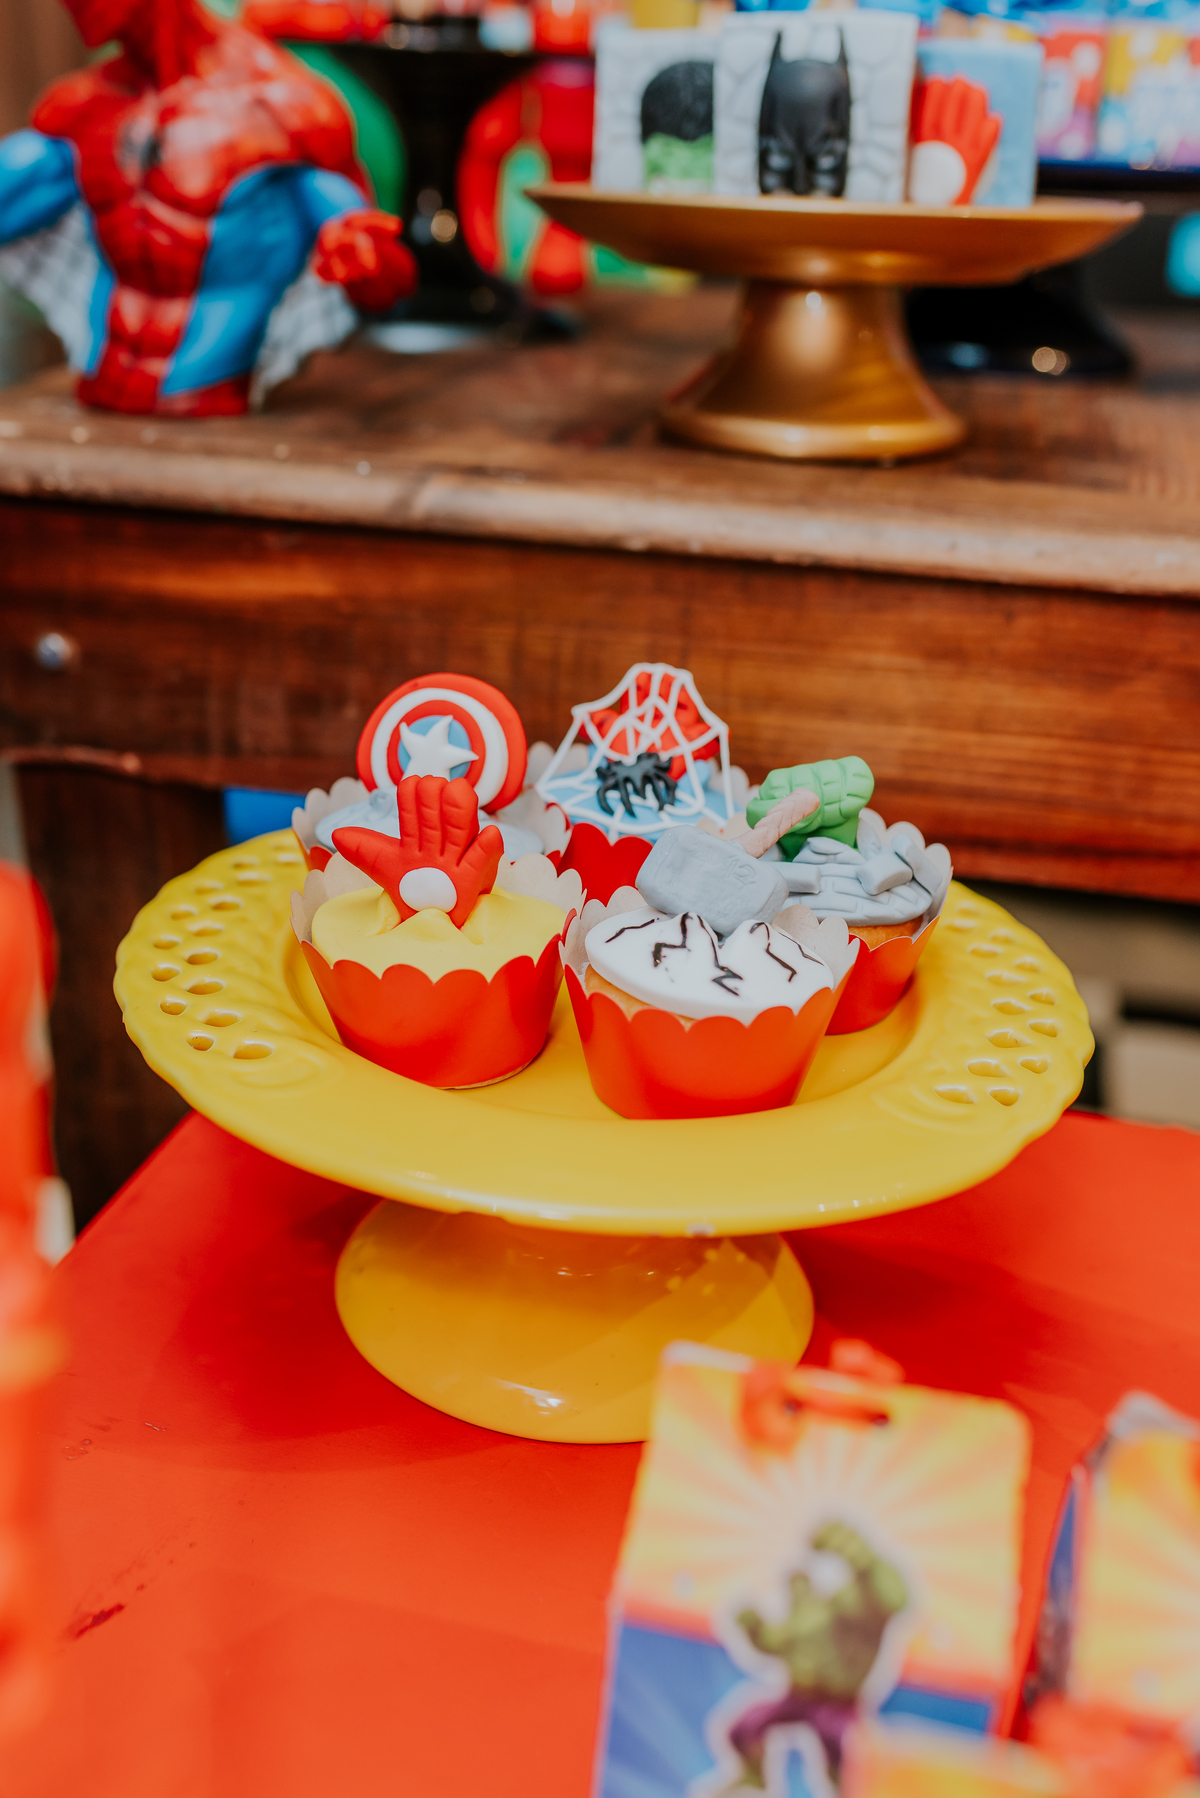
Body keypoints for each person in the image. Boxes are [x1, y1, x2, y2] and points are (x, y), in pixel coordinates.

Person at [0, 0, 416, 414]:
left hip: (212, 389)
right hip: (101, 380)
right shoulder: (80, 106)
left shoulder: (281, 103)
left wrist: (364, 261)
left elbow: (385, 284)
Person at [723, 1521, 907, 1790]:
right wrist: (753, 1626)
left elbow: (890, 1601)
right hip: (797, 1696)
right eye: (793, 1588)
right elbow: (773, 1642)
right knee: (746, 1726)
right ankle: (753, 1778)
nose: (797, 1593)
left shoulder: (846, 1611)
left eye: (802, 1586)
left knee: (844, 1750)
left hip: (838, 1703)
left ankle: (846, 1788)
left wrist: (857, 1553)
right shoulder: (800, 1620)